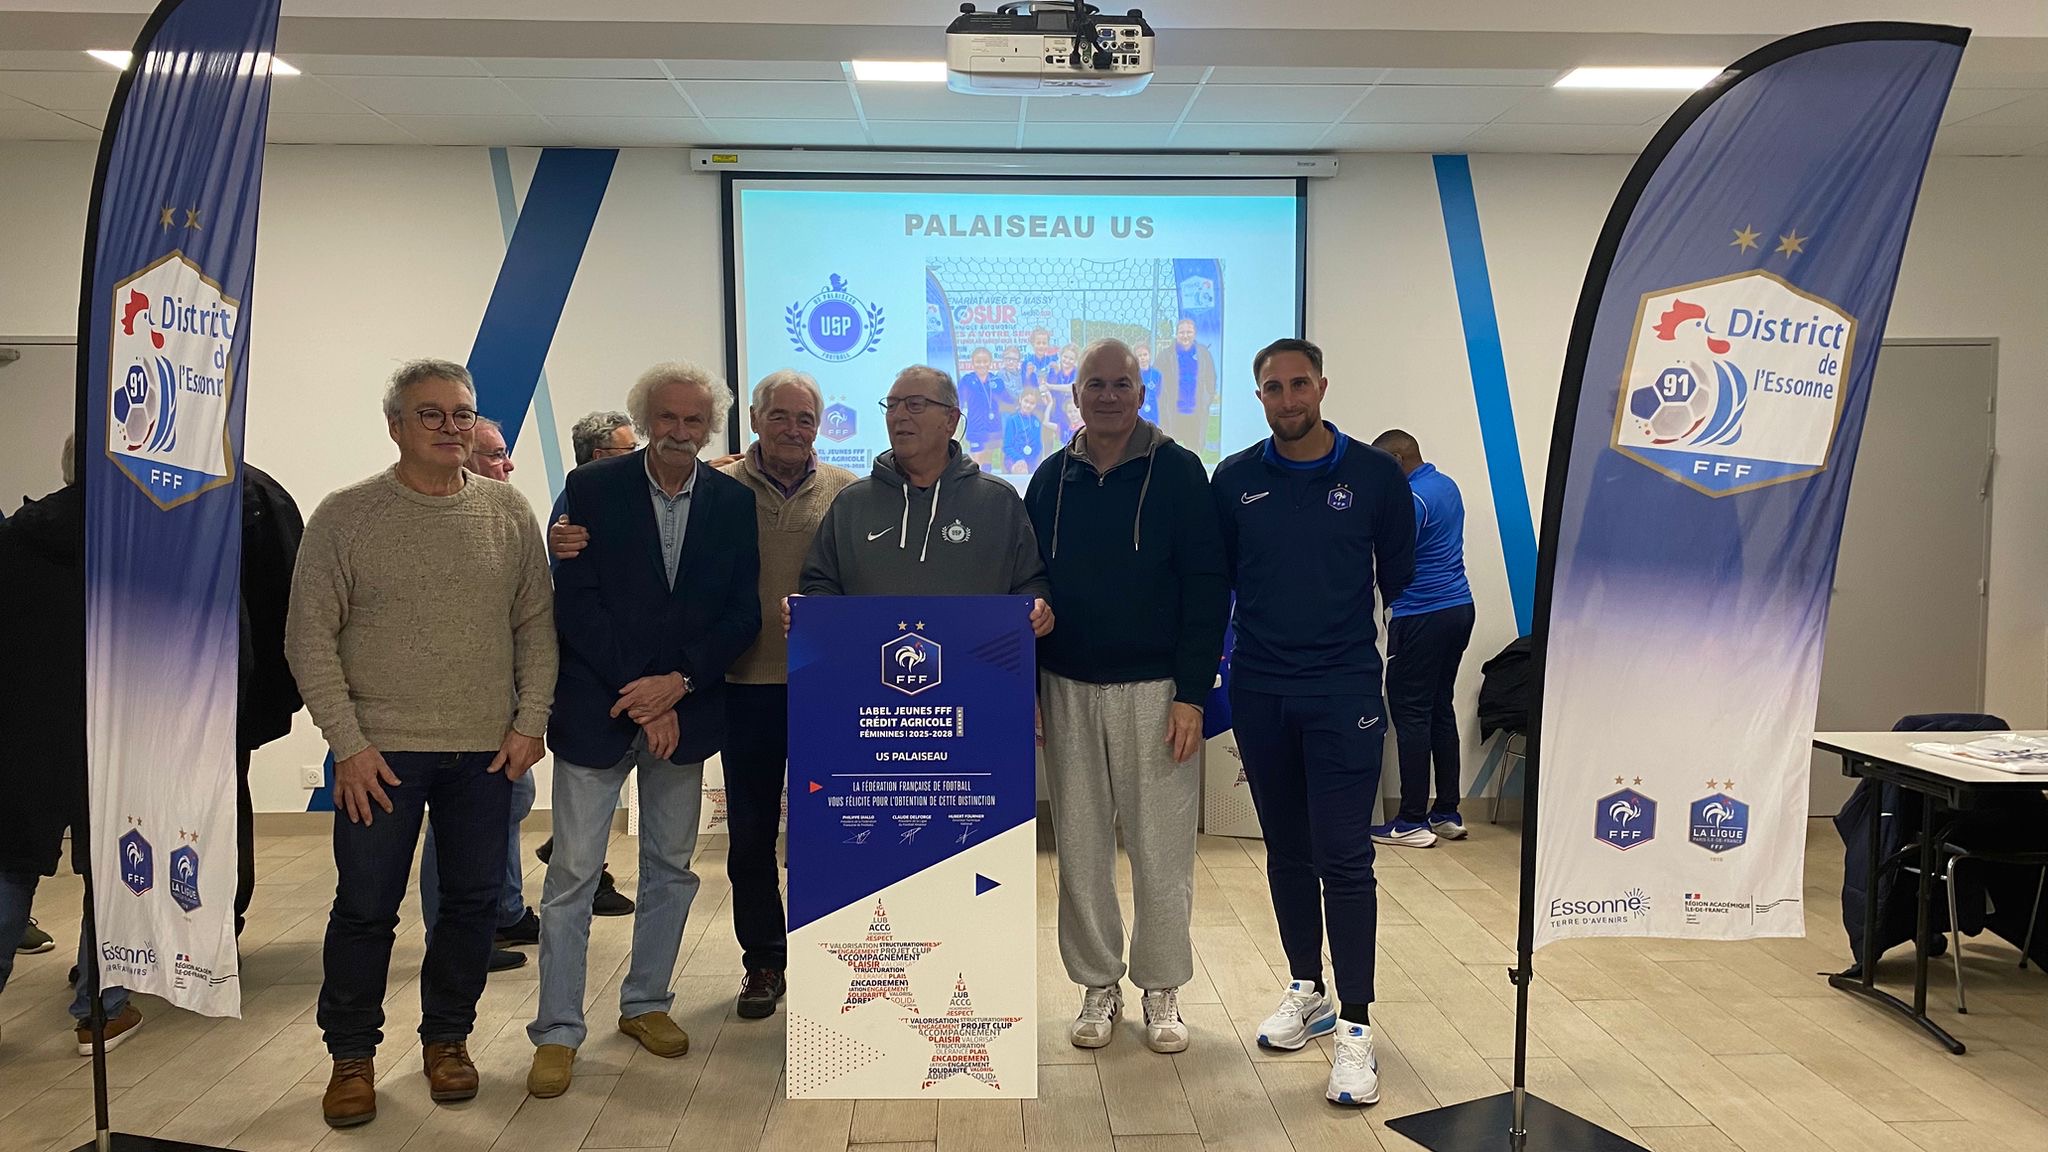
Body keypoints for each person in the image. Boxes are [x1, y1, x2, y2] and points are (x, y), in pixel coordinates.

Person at [286, 359, 556, 1128]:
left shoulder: (508, 511)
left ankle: (448, 1039)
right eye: (430, 414)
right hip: (379, 756)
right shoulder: (347, 515)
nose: (449, 427)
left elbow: (536, 625)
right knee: (366, 909)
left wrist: (530, 722)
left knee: (470, 906)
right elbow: (308, 638)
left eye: (461, 413)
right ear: (396, 426)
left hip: (486, 752)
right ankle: (351, 1056)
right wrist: (347, 744)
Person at [548, 370, 856, 1023]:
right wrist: (559, 540)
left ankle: (832, 966)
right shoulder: (722, 486)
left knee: (829, 838)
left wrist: (675, 686)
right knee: (749, 839)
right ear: (753, 419)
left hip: (823, 690)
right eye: (779, 415)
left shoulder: (842, 492)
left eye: (805, 417)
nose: (792, 428)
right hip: (738, 685)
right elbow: (592, 585)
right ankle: (764, 962)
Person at [526, 362, 760, 1099]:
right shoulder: (592, 489)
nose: (680, 431)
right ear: (644, 418)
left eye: (694, 420)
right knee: (572, 874)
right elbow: (577, 602)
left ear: (710, 428)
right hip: (600, 710)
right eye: (667, 417)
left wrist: (678, 687)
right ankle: (557, 1030)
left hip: (684, 713)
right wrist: (647, 696)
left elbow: (741, 613)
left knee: (671, 866)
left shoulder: (732, 501)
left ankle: (646, 1003)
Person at [1210, 338, 1414, 1108]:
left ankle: (1356, 1028)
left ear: (1322, 386)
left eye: (1300, 384)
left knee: (1344, 855)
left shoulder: (1375, 476)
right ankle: (1308, 990)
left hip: (1343, 691)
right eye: (1274, 388)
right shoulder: (1234, 480)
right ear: (1258, 395)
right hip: (1261, 690)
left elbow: (1398, 573)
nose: (1289, 399)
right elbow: (1222, 579)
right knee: (1288, 850)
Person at [1024, 339, 1229, 1055]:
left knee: (1161, 849)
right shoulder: (1050, 478)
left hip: (1158, 689)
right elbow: (1030, 584)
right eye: (1095, 384)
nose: (1108, 396)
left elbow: (1207, 587)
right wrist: (1030, 685)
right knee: (1079, 847)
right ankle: (1097, 983)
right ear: (1075, 395)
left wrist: (1192, 694)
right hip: (1066, 686)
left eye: (1122, 384)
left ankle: (1161, 986)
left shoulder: (1179, 471)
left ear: (1142, 394)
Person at [0, 436, 141, 1054]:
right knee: (113, 869)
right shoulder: (141, 546)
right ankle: (100, 1011)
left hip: (22, 734)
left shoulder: (13, 539)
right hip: (121, 731)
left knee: (10, 866)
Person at [417, 417, 540, 974]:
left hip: (500, 704)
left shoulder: (506, 516)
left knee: (510, 801)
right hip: (445, 715)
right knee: (452, 828)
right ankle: (450, 935)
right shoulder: (429, 524)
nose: (506, 464)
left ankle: (500, 912)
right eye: (494, 454)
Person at [797, 365, 1054, 629]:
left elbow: (1030, 583)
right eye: (892, 405)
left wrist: (1038, 609)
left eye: (915, 404)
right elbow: (820, 583)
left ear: (951, 420)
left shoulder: (998, 501)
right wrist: (810, 609)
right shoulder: (851, 502)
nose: (899, 415)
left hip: (977, 655)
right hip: (869, 655)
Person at [537, 410, 640, 920]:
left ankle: (571, 853)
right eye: (630, 450)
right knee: (592, 788)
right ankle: (583, 869)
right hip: (599, 678)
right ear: (601, 457)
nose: (641, 457)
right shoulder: (577, 507)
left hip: (616, 676)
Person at [1368, 429, 1476, 848]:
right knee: (1438, 708)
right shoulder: (1445, 485)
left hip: (1420, 616)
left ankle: (1411, 820)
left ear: (1397, 459)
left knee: (1410, 714)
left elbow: (1388, 554)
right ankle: (1446, 811)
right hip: (1458, 608)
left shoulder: (1412, 499)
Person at [237, 463, 306, 939]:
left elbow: (288, 599)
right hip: (233, 693)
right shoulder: (257, 492)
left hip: (229, 692)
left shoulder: (254, 495)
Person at [1165, 318, 1217, 451]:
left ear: (1194, 334)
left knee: (1194, 452)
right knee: (1170, 452)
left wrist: (1206, 400)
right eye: (1182, 332)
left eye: (1189, 332)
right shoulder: (1166, 355)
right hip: (1173, 413)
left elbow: (1211, 379)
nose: (1185, 336)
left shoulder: (1204, 354)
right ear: (1176, 334)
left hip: (1195, 414)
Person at [958, 347, 1010, 467]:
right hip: (976, 428)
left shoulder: (997, 381)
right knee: (977, 462)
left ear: (990, 362)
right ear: (972, 363)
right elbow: (959, 403)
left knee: (988, 461)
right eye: (978, 362)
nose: (982, 365)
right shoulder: (967, 380)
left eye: (985, 361)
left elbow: (1008, 402)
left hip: (993, 428)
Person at [1003, 387, 1048, 475]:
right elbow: (1007, 446)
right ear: (1020, 400)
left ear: (1035, 405)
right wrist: (1019, 459)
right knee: (1022, 471)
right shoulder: (1012, 420)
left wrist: (1035, 461)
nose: (1028, 405)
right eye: (1026, 401)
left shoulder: (1036, 421)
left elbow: (1038, 445)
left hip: (1031, 460)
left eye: (1032, 403)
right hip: (1014, 459)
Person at [1136, 342, 1163, 427]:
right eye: (1140, 355)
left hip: (1153, 414)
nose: (1143, 358)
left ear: (1149, 356)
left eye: (1145, 355)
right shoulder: (1133, 375)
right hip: (1137, 414)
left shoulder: (1157, 374)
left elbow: (1159, 394)